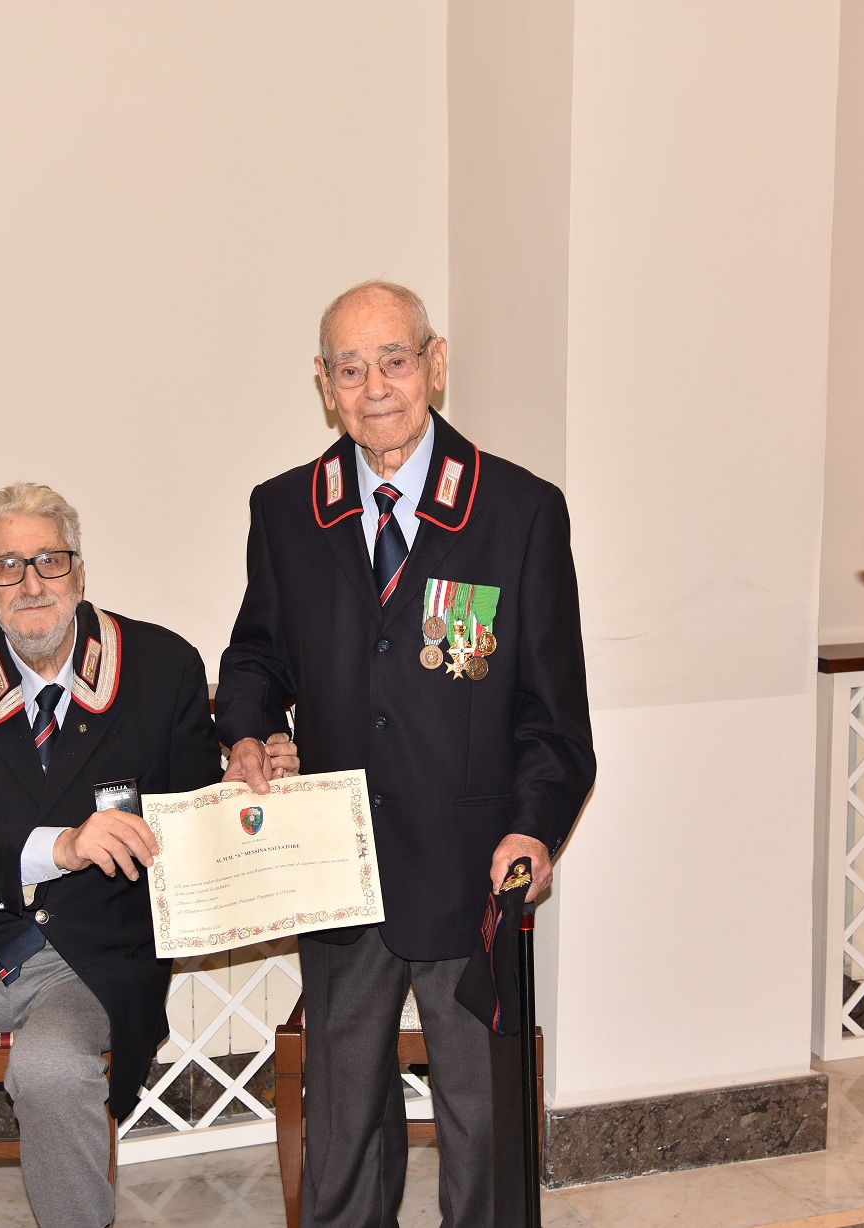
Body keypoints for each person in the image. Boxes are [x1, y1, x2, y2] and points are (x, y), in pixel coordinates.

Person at [216, 281, 595, 1227]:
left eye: (394, 359)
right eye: (351, 368)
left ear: (435, 361)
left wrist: (533, 829)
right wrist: (254, 729)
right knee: (344, 1119)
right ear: (324, 384)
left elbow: (556, 717)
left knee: (483, 1116)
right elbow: (255, 653)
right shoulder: (289, 510)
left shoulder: (519, 511)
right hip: (336, 868)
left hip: (473, 871)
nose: (375, 386)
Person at [0, 482, 295, 1228]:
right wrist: (64, 846)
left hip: (92, 952)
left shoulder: (160, 665)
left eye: (49, 560)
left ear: (79, 570)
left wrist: (243, 786)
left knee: (50, 1070)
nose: (31, 582)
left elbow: (195, 808)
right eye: (7, 566)